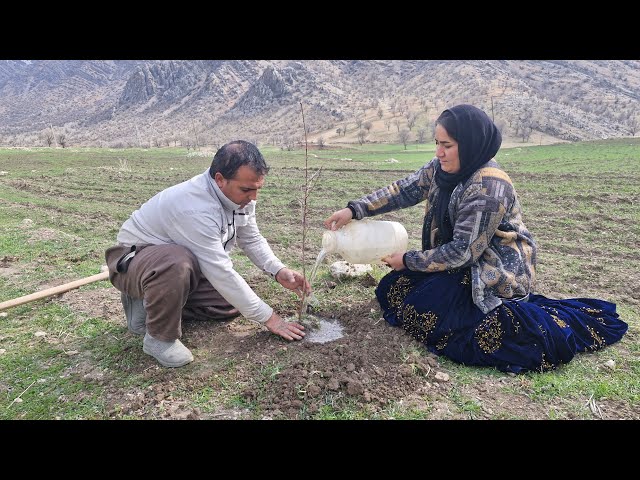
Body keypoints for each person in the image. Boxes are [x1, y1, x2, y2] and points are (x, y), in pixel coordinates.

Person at [324, 104, 627, 374]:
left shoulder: (488, 187)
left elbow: (462, 252)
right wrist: (355, 210)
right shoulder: (442, 169)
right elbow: (405, 189)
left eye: (447, 145)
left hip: (492, 272)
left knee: (438, 313)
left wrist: (408, 260)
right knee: (395, 288)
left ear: (469, 146)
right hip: (461, 263)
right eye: (437, 144)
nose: (439, 153)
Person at [105, 140, 310, 368]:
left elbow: (250, 237)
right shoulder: (194, 207)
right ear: (220, 179)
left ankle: (154, 303)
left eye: (257, 189)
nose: (254, 198)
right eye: (247, 189)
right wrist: (270, 318)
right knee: (177, 262)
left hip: (184, 264)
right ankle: (159, 338)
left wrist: (277, 270)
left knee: (228, 304)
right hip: (134, 262)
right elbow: (221, 272)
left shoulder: (241, 199)